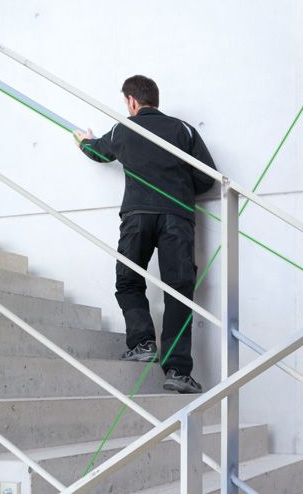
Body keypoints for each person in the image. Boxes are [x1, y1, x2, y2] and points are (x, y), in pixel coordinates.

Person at [73, 75, 215, 394]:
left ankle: (143, 344)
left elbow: (100, 153)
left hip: (137, 216)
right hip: (177, 217)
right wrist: (176, 188)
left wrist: (84, 142)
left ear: (131, 102)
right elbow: (207, 179)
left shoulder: (126, 129)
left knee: (128, 279)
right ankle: (178, 371)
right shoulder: (183, 130)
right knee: (178, 288)